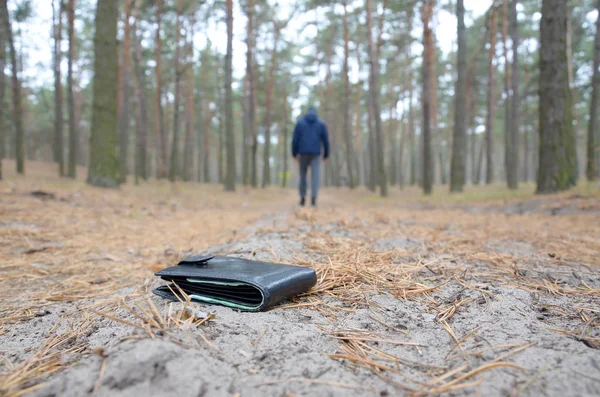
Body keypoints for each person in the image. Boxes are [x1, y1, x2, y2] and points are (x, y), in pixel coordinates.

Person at [292, 105, 330, 207]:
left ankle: (302, 198)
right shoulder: (321, 124)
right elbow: (326, 141)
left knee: (303, 176)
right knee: (315, 177)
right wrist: (326, 154)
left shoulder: (300, 123)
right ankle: (313, 199)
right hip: (316, 154)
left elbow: (295, 140)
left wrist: (294, 153)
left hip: (303, 153)